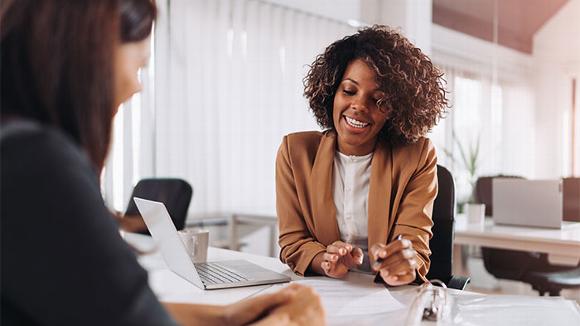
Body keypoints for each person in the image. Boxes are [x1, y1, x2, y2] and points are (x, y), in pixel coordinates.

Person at [0, 0, 324, 325]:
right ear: (91, 52)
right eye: (139, 65)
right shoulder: (36, 163)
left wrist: (226, 316)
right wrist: (293, 321)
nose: (136, 86)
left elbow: (112, 312)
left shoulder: (17, 149)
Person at [276, 25, 448, 286]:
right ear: (332, 91)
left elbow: (415, 247)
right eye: (349, 90)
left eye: (378, 100)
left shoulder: (417, 156)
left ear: (395, 110)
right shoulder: (295, 152)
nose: (359, 106)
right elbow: (293, 242)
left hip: (389, 300)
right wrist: (324, 261)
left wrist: (404, 263)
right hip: (325, 294)